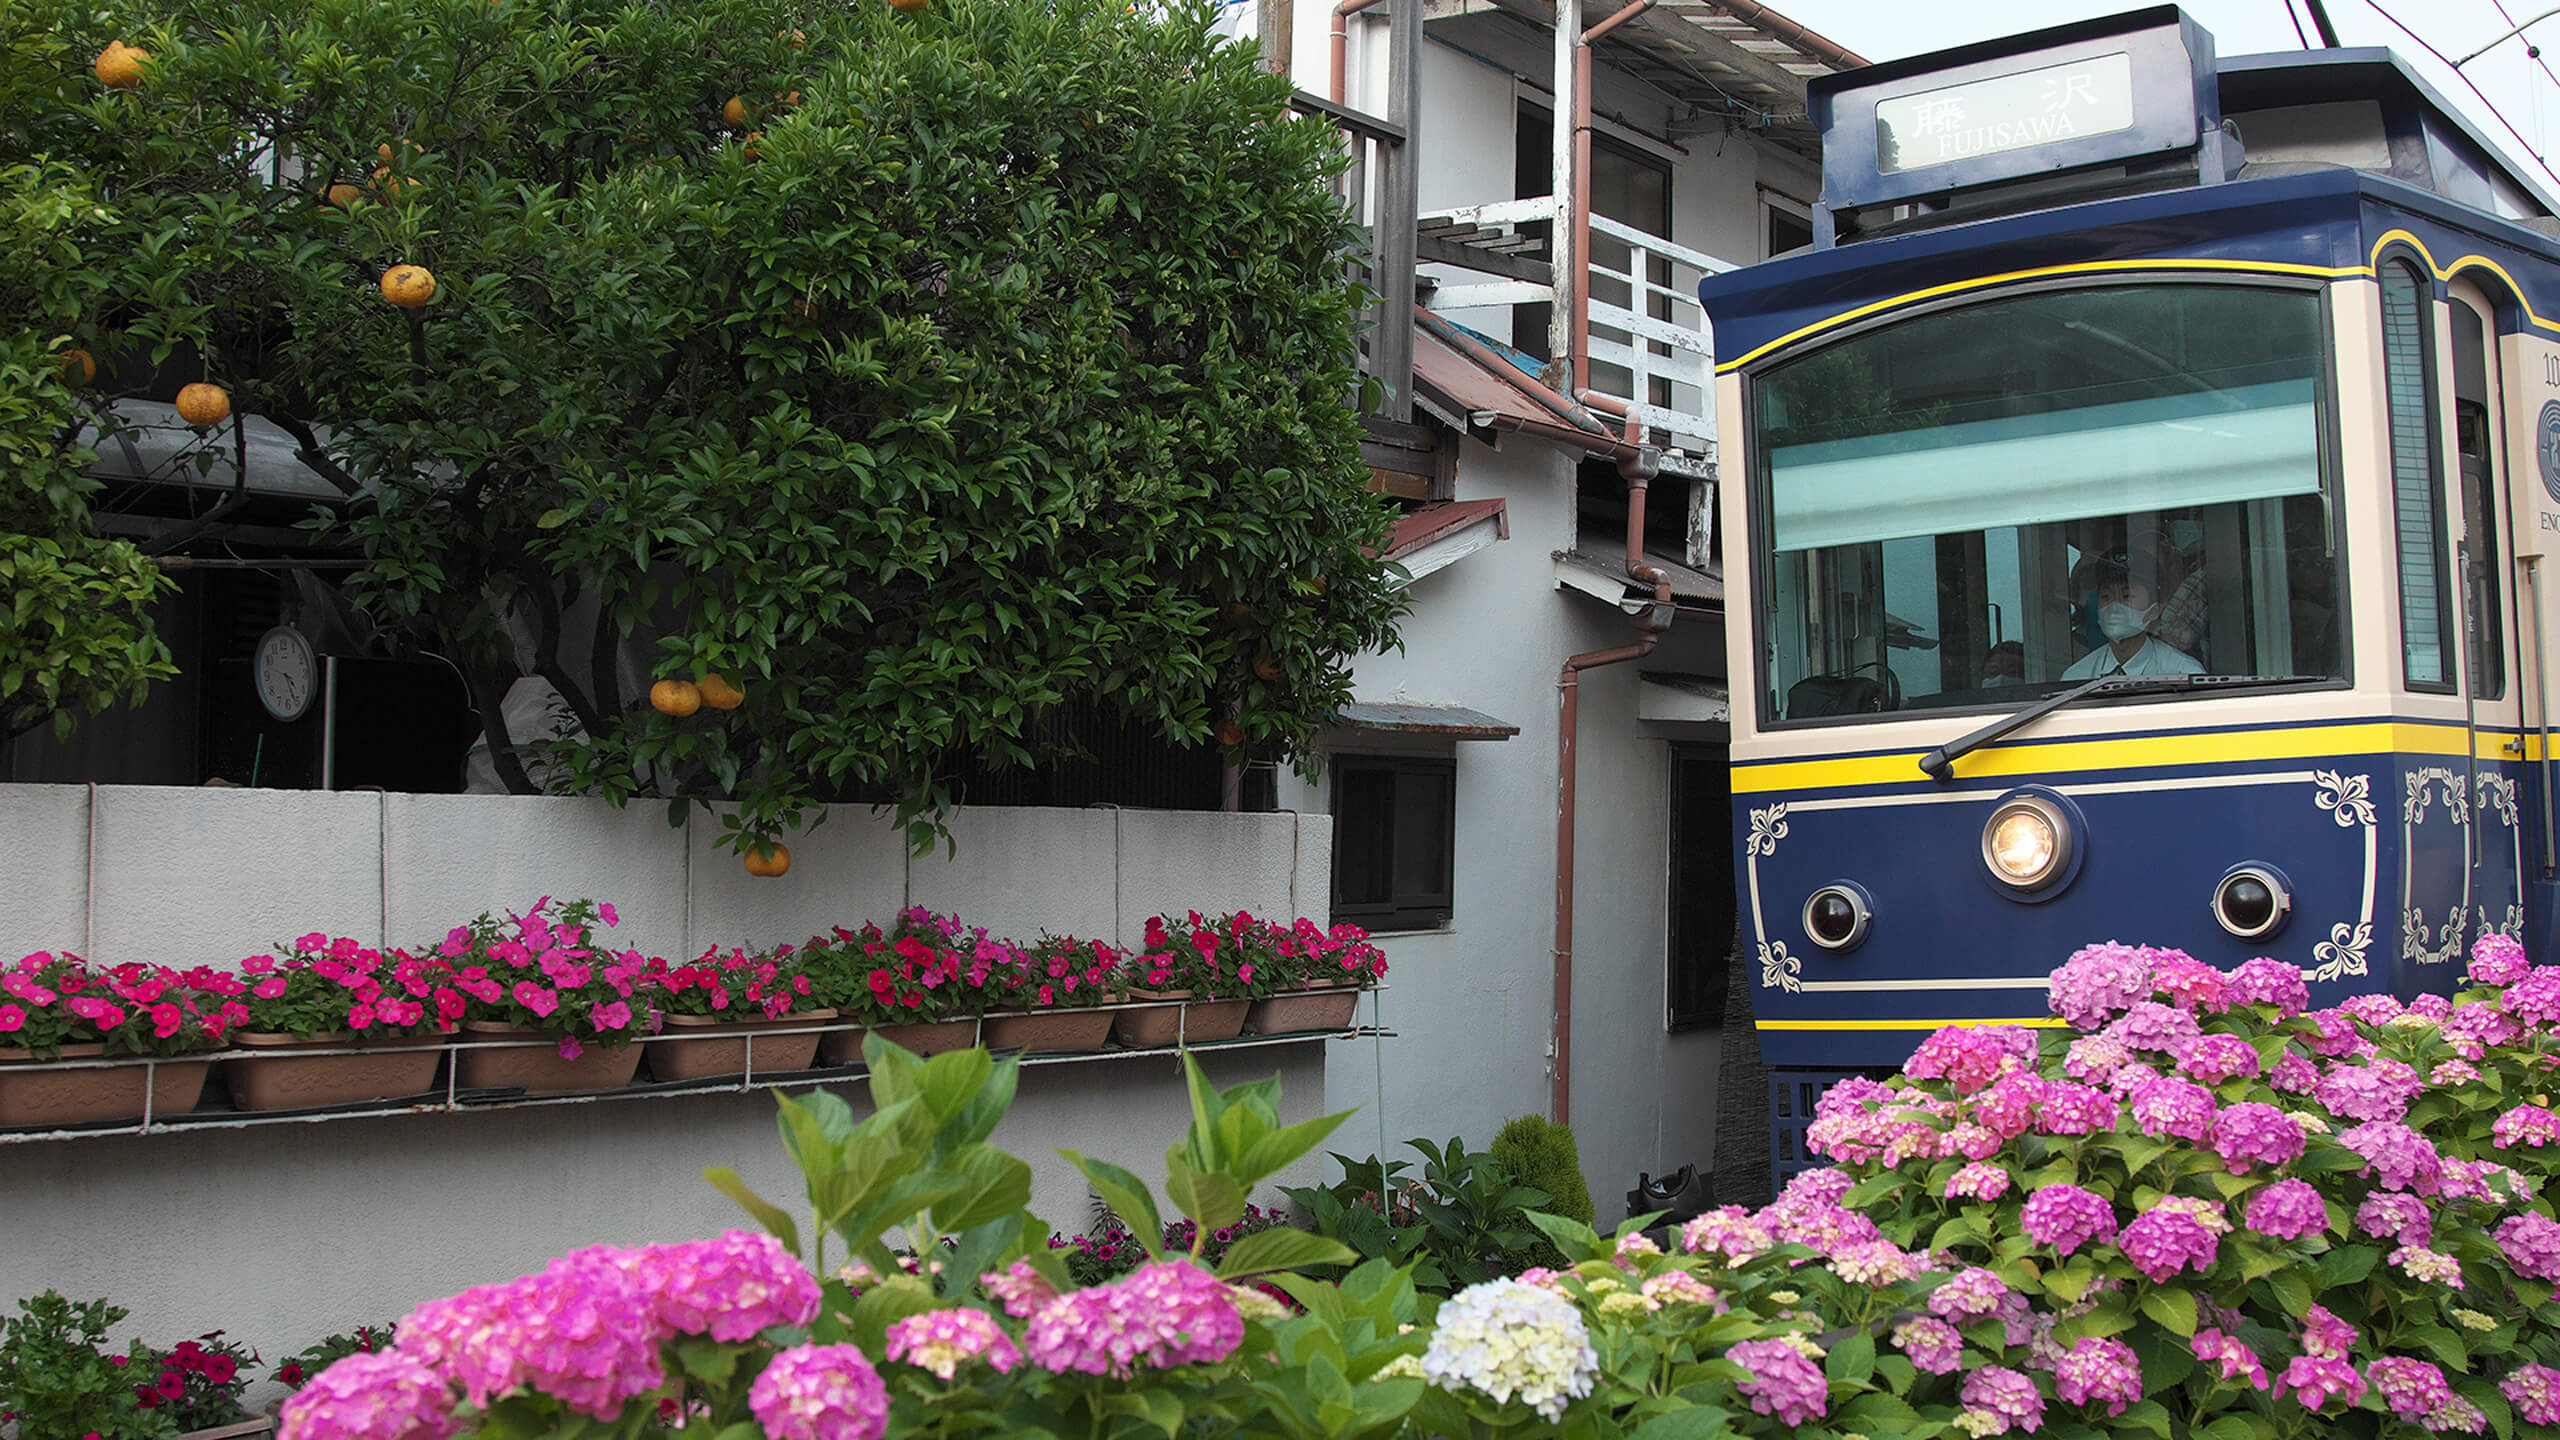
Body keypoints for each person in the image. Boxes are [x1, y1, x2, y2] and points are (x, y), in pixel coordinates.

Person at [2061, 551, 2204, 680]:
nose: (2114, 607)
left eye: (2126, 596)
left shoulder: (2183, 674)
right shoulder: (2077, 678)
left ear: (2154, 611)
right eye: (2106, 596)